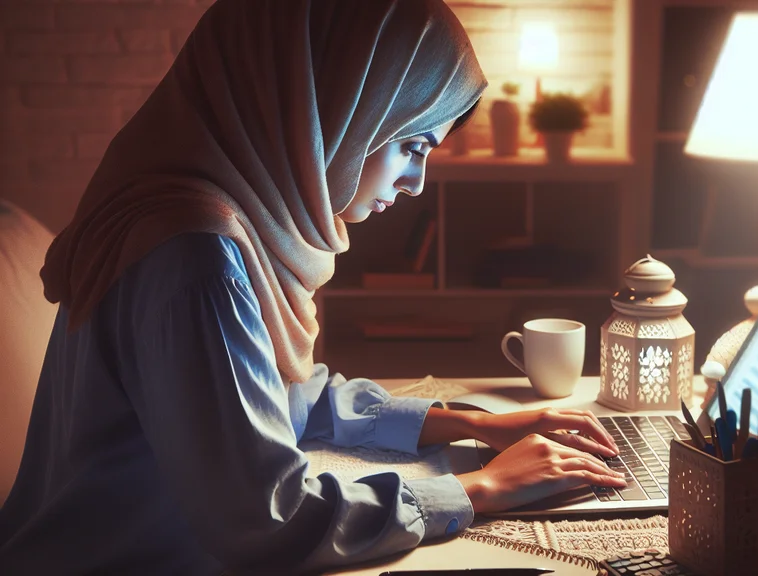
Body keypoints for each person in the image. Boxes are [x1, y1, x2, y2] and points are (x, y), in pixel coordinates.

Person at [0, 1, 626, 574]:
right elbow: (265, 520)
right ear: (333, 108)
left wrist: (472, 423)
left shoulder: (223, 222)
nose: (416, 183)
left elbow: (290, 403)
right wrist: (480, 488)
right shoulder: (193, 256)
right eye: (411, 144)